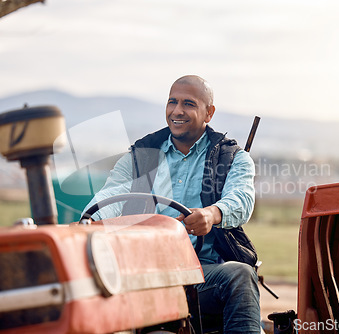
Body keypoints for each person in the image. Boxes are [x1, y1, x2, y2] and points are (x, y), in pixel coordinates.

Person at [82, 75, 261, 333]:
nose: (177, 111)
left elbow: (241, 199)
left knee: (239, 275)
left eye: (188, 103)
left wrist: (212, 214)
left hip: (201, 274)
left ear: (209, 113)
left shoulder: (233, 157)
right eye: (172, 102)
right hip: (143, 273)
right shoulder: (140, 155)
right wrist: (87, 221)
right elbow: (110, 196)